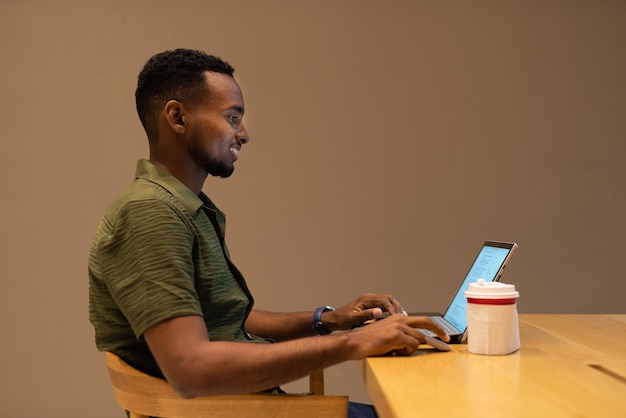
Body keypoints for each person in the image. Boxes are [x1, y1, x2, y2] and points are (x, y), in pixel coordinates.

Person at [88, 48, 449, 418]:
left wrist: (330, 320)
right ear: (178, 117)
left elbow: (227, 319)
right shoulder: (149, 213)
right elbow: (190, 368)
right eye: (232, 117)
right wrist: (354, 343)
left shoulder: (182, 207)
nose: (243, 134)